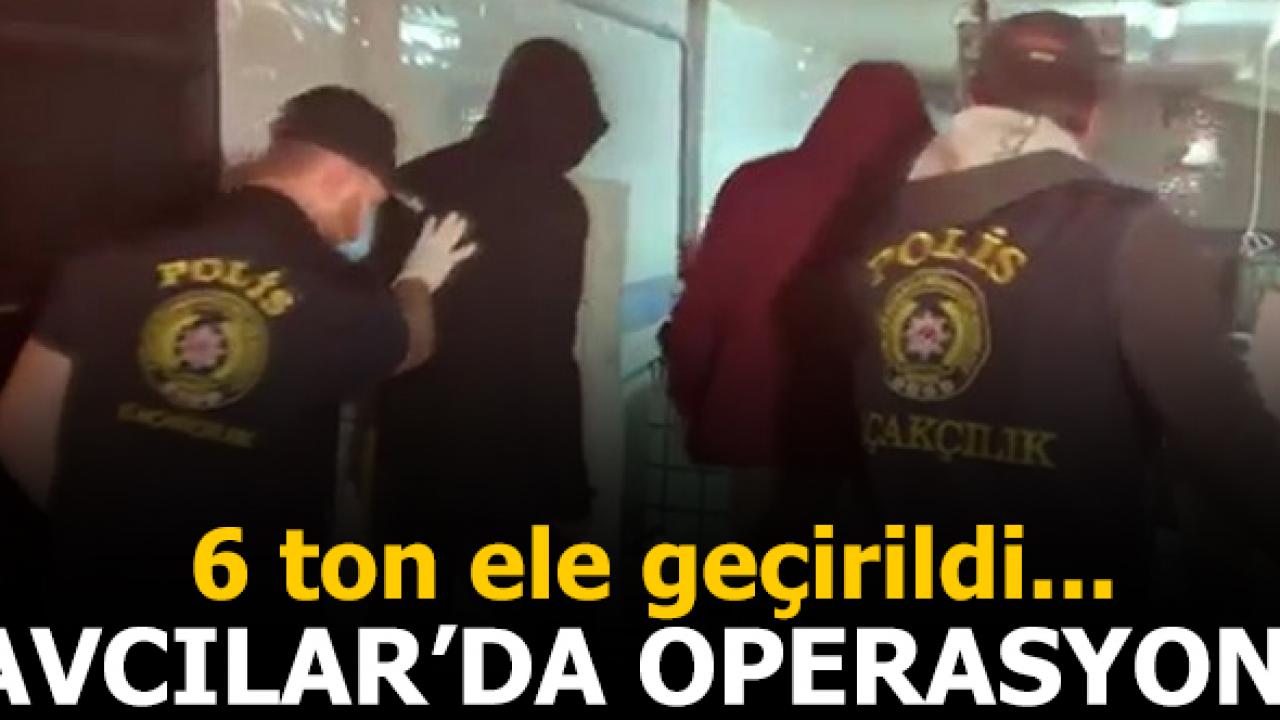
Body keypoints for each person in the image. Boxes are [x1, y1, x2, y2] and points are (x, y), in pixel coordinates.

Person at [850, 12, 1280, 609]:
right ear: (1093, 115)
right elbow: (1222, 435)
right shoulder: (1128, 230)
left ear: (973, 98)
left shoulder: (874, 228)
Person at [0, 86, 475, 616]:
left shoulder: (106, 264)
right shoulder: (338, 296)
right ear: (340, 175)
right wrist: (418, 278)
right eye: (371, 202)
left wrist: (98, 532)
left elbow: (18, 429)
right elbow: (412, 342)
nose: (363, 222)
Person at [369, 40, 608, 586]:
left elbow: (380, 313)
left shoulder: (415, 181)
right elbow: (549, 345)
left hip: (417, 433)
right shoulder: (558, 203)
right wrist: (564, 474)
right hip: (515, 443)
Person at [664, 63, 933, 539]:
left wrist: (694, 398)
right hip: (883, 447)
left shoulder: (756, 185)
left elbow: (701, 315)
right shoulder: (924, 204)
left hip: (764, 435)